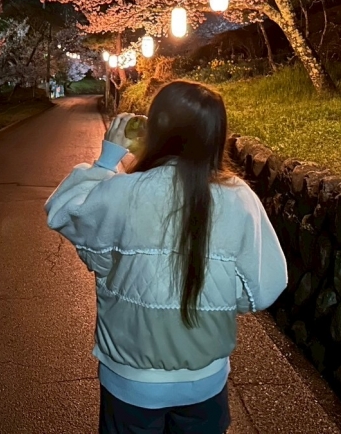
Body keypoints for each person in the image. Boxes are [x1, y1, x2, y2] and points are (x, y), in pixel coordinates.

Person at [45, 80, 287, 434]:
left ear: (155, 129)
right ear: (215, 135)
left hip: (130, 381)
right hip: (204, 379)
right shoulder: (238, 197)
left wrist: (107, 159)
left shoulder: (123, 191)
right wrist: (217, 300)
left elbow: (63, 212)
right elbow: (264, 287)